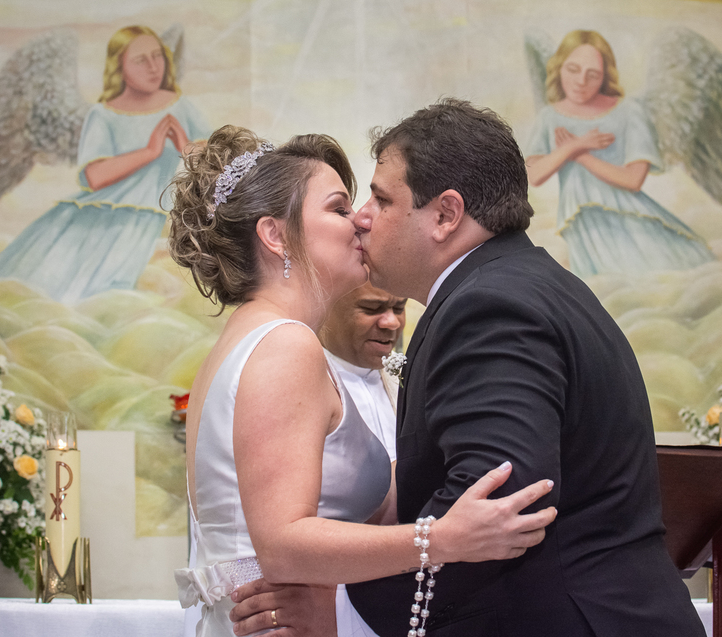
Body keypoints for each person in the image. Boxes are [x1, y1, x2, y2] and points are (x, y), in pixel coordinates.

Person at [168, 126, 557, 637]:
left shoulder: (251, 337)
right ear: (275, 235)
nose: (359, 221)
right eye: (337, 208)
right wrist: (441, 539)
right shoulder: (285, 343)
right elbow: (281, 546)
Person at [336, 99, 705, 635]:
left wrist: (350, 606)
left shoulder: (490, 306)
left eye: (382, 198)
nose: (361, 216)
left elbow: (500, 503)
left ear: (445, 215)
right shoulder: (527, 283)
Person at [0, 25, 209, 303]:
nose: (153, 67)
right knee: (48, 288)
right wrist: (149, 151)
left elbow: (211, 162)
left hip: (149, 216)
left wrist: (184, 144)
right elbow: (93, 176)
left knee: (111, 295)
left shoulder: (181, 106)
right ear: (120, 68)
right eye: (140, 60)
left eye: (157, 56)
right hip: (98, 214)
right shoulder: (103, 114)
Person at [524, 30, 713, 277]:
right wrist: (573, 146)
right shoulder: (549, 117)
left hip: (634, 226)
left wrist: (581, 155)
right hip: (585, 229)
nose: (581, 81)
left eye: (593, 74)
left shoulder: (628, 112)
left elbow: (633, 179)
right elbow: (534, 174)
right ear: (558, 67)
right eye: (573, 69)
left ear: (605, 76)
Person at [318, 281, 406, 461]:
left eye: (399, 308)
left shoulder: (409, 378)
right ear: (324, 308)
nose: (392, 322)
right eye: (372, 308)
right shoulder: (304, 383)